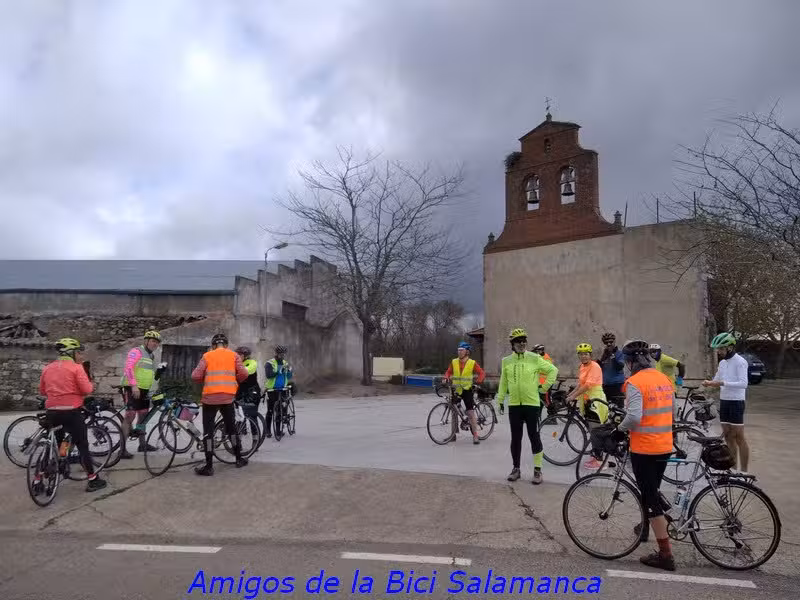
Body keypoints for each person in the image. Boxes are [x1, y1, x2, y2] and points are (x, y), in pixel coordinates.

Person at [616, 339, 676, 571]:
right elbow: (673, 411)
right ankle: (647, 526)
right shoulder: (663, 378)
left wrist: (618, 429)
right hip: (664, 445)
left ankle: (665, 555)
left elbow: (634, 417)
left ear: (631, 362)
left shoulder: (635, 382)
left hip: (644, 449)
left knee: (650, 498)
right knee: (651, 491)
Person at [38, 338, 107, 492]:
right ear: (71, 353)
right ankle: (93, 479)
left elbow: (42, 391)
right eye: (78, 352)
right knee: (82, 444)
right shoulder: (76, 368)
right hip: (71, 411)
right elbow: (87, 390)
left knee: (58, 441)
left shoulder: (47, 368)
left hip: (52, 412)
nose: (80, 355)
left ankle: (39, 480)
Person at [496, 328, 558, 484]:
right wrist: (500, 399)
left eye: (524, 340)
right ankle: (516, 469)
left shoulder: (534, 358)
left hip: (531, 404)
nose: (522, 343)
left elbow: (552, 370)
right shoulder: (506, 361)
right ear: (512, 343)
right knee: (515, 438)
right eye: (518, 341)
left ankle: (538, 471)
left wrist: (544, 388)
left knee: (533, 436)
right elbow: (503, 382)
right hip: (515, 405)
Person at [191, 333, 250, 475]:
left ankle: (209, 466)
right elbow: (244, 374)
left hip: (209, 398)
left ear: (213, 345)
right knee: (231, 429)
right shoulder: (234, 355)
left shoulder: (207, 356)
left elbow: (195, 376)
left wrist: (205, 379)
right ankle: (238, 459)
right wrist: (234, 380)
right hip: (227, 398)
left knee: (208, 432)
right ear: (226, 345)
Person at [702, 332, 750, 473]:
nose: (718, 351)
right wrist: (709, 383)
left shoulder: (740, 362)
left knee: (739, 437)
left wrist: (722, 382)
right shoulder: (722, 363)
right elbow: (717, 379)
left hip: (736, 401)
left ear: (729, 347)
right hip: (725, 401)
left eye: (721, 348)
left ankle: (744, 471)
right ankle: (733, 468)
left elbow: (743, 383)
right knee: (728, 435)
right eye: (717, 349)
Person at [119, 330, 162, 459]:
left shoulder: (152, 356)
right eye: (153, 341)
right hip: (133, 389)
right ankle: (122, 450)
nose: (155, 344)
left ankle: (142, 444)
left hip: (145, 390)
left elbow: (152, 374)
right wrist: (133, 385)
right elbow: (129, 368)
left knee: (143, 416)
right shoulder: (136, 351)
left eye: (157, 343)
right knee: (129, 417)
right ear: (146, 341)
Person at [566, 342, 609, 471]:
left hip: (596, 401)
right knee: (593, 430)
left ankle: (600, 461)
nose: (584, 356)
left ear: (590, 354)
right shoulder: (583, 367)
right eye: (581, 354)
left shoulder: (594, 366)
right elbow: (580, 385)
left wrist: (573, 397)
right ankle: (597, 455)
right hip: (587, 401)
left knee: (596, 431)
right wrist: (570, 394)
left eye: (586, 354)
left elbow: (588, 385)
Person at [442, 342, 486, 444]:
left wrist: (479, 380)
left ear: (467, 352)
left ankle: (475, 435)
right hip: (457, 389)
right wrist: (445, 377)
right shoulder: (454, 362)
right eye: (458, 350)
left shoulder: (472, 363)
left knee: (470, 412)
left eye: (461, 350)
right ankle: (453, 435)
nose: (459, 352)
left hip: (467, 390)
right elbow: (448, 372)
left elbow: (481, 373)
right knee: (454, 411)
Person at [265, 345, 293, 437]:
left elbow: (288, 377)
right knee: (270, 411)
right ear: (276, 353)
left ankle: (278, 431)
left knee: (280, 411)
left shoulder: (285, 363)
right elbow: (269, 375)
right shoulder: (270, 363)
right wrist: (278, 371)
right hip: (272, 389)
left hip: (283, 389)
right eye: (280, 354)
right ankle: (267, 430)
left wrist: (289, 372)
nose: (282, 355)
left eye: (283, 354)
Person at [235, 346, 262, 443]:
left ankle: (255, 440)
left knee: (251, 416)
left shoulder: (252, 363)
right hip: (240, 392)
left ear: (245, 356)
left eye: (239, 355)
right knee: (239, 417)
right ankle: (238, 441)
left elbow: (246, 371)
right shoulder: (237, 364)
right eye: (236, 355)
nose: (237, 356)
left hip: (252, 393)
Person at [598, 333, 625, 406]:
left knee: (618, 409)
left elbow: (619, 367)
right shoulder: (605, 355)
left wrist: (612, 356)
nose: (609, 344)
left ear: (614, 342)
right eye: (606, 343)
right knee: (606, 408)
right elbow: (601, 368)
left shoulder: (619, 353)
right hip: (606, 385)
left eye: (611, 342)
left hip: (617, 385)